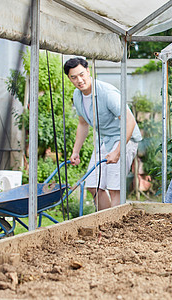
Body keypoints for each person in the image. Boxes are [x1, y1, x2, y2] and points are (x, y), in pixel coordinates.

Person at [64, 57, 142, 210]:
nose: (79, 80)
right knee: (93, 186)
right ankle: (104, 223)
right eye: (74, 77)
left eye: (81, 74)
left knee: (115, 188)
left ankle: (115, 228)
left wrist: (117, 152)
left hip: (124, 138)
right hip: (105, 140)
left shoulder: (107, 93)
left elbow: (129, 121)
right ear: (69, 78)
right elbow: (82, 123)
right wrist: (75, 151)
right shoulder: (77, 96)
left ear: (88, 71)